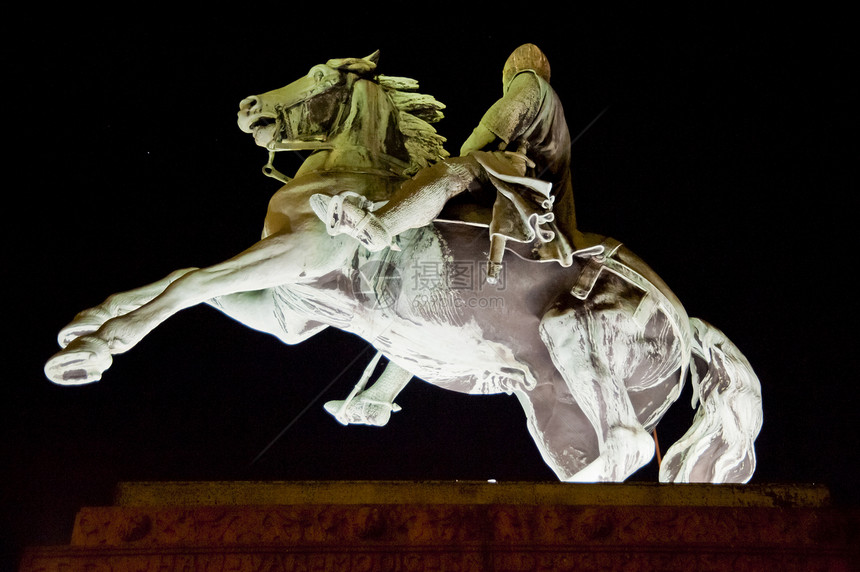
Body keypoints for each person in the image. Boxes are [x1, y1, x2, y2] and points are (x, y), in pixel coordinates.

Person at [312, 44, 587, 282]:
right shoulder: (556, 110)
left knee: (449, 173)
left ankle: (380, 228)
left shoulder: (530, 83)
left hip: (518, 183)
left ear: (511, 70)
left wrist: (469, 149)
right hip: (530, 187)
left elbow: (489, 130)